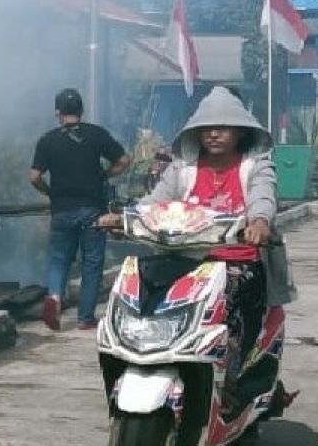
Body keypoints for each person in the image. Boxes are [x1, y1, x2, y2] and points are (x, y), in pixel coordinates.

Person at [97, 86, 296, 372]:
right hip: (186, 260)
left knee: (235, 311)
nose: (214, 134)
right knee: (140, 291)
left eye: (223, 127)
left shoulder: (255, 165)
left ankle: (235, 373)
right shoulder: (183, 167)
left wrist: (260, 222)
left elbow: (263, 196)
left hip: (236, 263)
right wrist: (123, 219)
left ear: (240, 131)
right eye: (207, 128)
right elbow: (155, 202)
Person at [29, 88, 128, 331]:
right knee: (92, 263)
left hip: (61, 210)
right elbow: (124, 161)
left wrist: (49, 192)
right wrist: (104, 175)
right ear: (81, 111)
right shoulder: (96, 135)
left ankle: (54, 295)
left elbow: (34, 177)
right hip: (92, 210)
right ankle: (85, 318)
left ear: (57, 112)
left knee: (59, 259)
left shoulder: (47, 140)